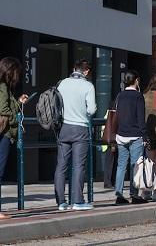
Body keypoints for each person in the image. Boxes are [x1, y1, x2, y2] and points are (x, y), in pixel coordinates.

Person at [54, 59, 97, 211]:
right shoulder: (88, 86)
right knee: (78, 165)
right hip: (80, 129)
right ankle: (78, 201)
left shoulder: (62, 83)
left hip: (63, 128)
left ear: (74, 69)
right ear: (86, 71)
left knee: (61, 166)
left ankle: (61, 202)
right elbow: (91, 110)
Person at [0, 57, 28, 220]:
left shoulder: (4, 87)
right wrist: (16, 120)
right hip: (3, 133)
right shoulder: (3, 87)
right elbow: (3, 110)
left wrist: (18, 101)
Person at [114, 69, 147, 205]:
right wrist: (144, 136)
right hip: (135, 135)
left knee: (121, 165)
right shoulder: (138, 96)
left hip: (121, 134)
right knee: (135, 165)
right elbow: (141, 118)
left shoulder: (120, 95)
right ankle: (134, 195)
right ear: (136, 80)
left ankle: (119, 194)